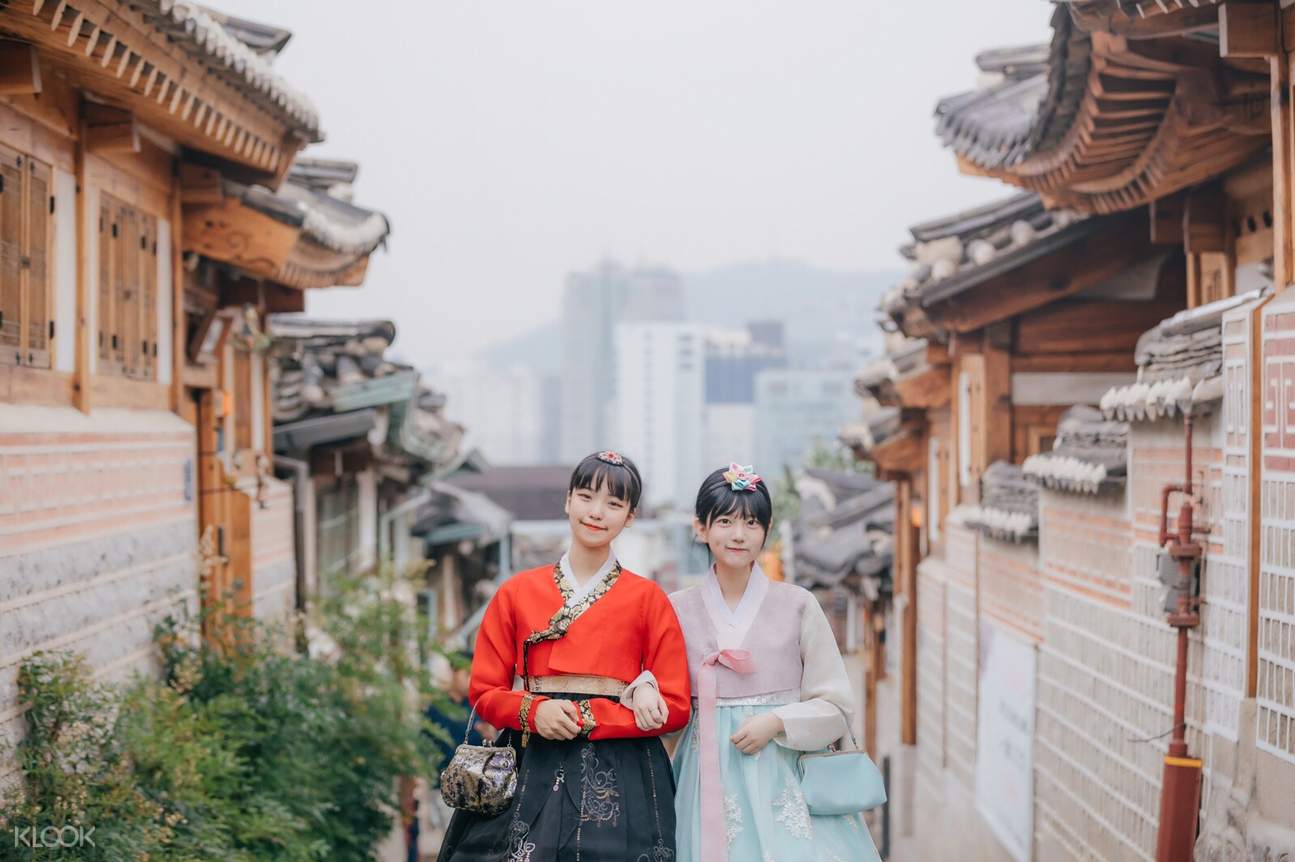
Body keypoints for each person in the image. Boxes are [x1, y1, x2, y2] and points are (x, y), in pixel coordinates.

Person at [438, 451, 690, 861]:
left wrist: (592, 716)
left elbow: (676, 706)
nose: (597, 512)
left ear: (630, 517)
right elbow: (484, 691)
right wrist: (534, 712)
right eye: (587, 496)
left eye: (614, 503)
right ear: (568, 500)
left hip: (624, 770)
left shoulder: (649, 599)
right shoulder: (516, 593)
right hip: (530, 755)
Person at [670, 464, 881, 862]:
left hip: (783, 773)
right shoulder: (677, 609)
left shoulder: (799, 605)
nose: (738, 534)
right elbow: (659, 686)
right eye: (726, 521)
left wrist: (778, 722)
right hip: (707, 774)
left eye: (752, 522)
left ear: (766, 531)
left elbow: (836, 705)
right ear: (702, 528)